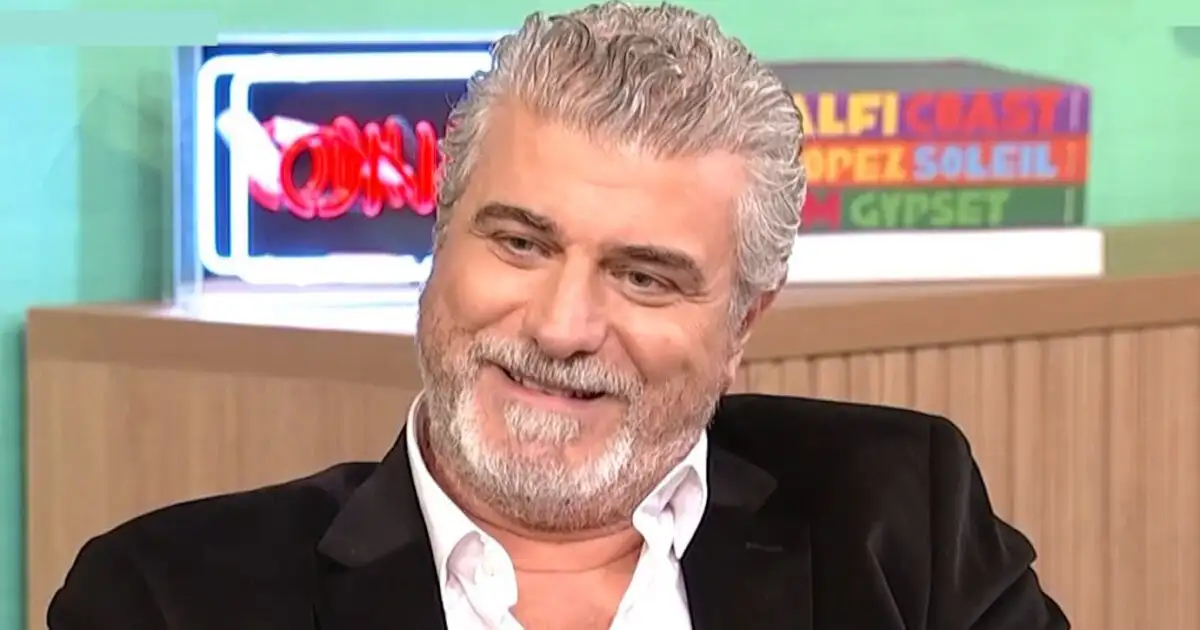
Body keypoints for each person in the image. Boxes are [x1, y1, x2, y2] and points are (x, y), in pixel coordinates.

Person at [48, 3, 1069, 629]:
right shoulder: (170, 599)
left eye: (646, 278)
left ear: (745, 324)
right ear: (439, 243)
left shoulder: (897, 524)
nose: (562, 325)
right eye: (521, 244)